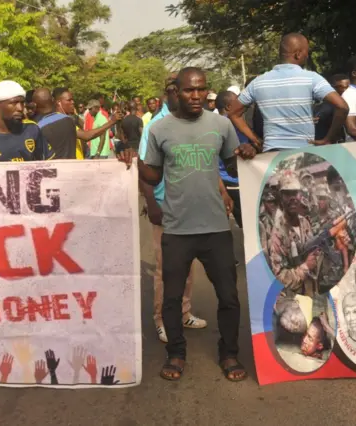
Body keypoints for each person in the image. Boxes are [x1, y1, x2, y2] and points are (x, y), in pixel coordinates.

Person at [125, 67, 257, 382]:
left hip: (215, 228)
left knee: (228, 296)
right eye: (189, 90)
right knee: (171, 299)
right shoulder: (159, 129)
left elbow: (231, 167)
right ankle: (176, 353)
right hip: (176, 228)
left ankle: (229, 353)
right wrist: (133, 159)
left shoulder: (221, 124)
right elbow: (153, 175)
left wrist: (247, 152)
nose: (196, 96)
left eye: (201, 90)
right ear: (176, 91)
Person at [138, 75, 208, 345]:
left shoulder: (196, 121)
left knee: (188, 266)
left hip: (191, 206)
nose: (178, 95)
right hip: (165, 206)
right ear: (170, 93)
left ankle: (184, 312)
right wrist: (151, 204)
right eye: (171, 90)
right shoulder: (155, 126)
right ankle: (161, 319)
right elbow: (144, 169)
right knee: (166, 268)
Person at [229, 33, 349, 151]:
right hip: (304, 152)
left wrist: (255, 139)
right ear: (298, 54)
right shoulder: (311, 78)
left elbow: (233, 113)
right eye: (307, 52)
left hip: (272, 155)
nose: (307, 55)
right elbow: (342, 107)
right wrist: (328, 139)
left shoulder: (258, 82)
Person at [0, 80, 55, 163]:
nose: (20, 108)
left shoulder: (32, 129)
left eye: (22, 103)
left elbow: (51, 166)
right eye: (14, 103)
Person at [268, 171, 318, 296]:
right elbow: (278, 277)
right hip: (293, 299)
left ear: (300, 195)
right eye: (287, 194)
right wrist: (305, 267)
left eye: (295, 193)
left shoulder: (304, 222)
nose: (292, 198)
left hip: (311, 290)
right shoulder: (277, 233)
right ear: (280, 196)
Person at [35, 87, 121, 160]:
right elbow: (87, 136)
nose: (73, 102)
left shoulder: (42, 123)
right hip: (73, 167)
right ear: (58, 102)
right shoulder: (65, 121)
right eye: (69, 100)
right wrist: (111, 122)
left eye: (72, 99)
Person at [216, 90, 249, 228]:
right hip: (234, 182)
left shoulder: (215, 123)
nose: (242, 105)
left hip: (222, 182)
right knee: (248, 227)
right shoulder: (230, 124)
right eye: (237, 101)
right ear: (229, 107)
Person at [314, 74, 350, 142]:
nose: (346, 90)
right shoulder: (327, 107)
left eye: (348, 87)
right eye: (341, 87)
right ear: (332, 88)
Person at [259, 188, 279, 259]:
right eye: (269, 202)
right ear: (264, 202)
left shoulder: (278, 215)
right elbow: (264, 246)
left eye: (274, 202)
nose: (272, 204)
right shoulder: (263, 219)